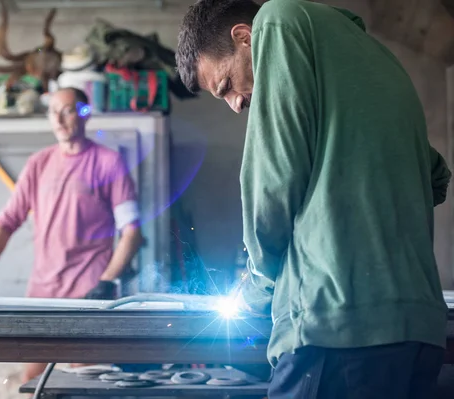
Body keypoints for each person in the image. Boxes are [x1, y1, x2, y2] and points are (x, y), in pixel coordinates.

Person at [176, 0, 451, 398]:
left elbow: (273, 181)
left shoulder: (278, 19)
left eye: (225, 86)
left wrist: (254, 290)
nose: (236, 103)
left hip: (336, 332)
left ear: (244, 37)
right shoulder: (371, 56)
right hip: (418, 331)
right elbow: (436, 176)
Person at [0, 87, 144, 383]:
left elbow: (132, 233)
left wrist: (106, 281)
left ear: (84, 114)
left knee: (85, 383)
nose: (58, 119)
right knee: (34, 383)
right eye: (52, 112)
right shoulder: (38, 163)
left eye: (68, 110)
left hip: (89, 296)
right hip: (42, 296)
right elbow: (7, 221)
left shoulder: (109, 163)